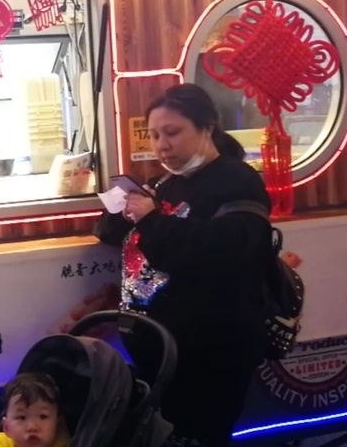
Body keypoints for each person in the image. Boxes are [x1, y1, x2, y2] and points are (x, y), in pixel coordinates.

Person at [94, 84, 271, 447]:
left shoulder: (238, 180)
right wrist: (123, 208)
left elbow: (221, 251)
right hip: (158, 345)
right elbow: (107, 232)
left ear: (207, 128)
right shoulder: (164, 182)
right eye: (155, 135)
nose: (162, 145)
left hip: (211, 348)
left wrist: (151, 219)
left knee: (199, 436)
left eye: (172, 132)